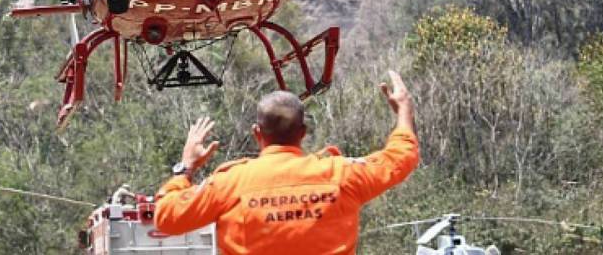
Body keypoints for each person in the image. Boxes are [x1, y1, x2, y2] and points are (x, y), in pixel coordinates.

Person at [154, 70, 419, 255]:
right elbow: (401, 157)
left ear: (257, 133)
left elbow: (166, 217)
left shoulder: (230, 182)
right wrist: (404, 112)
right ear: (303, 132)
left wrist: (186, 166)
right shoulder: (341, 175)